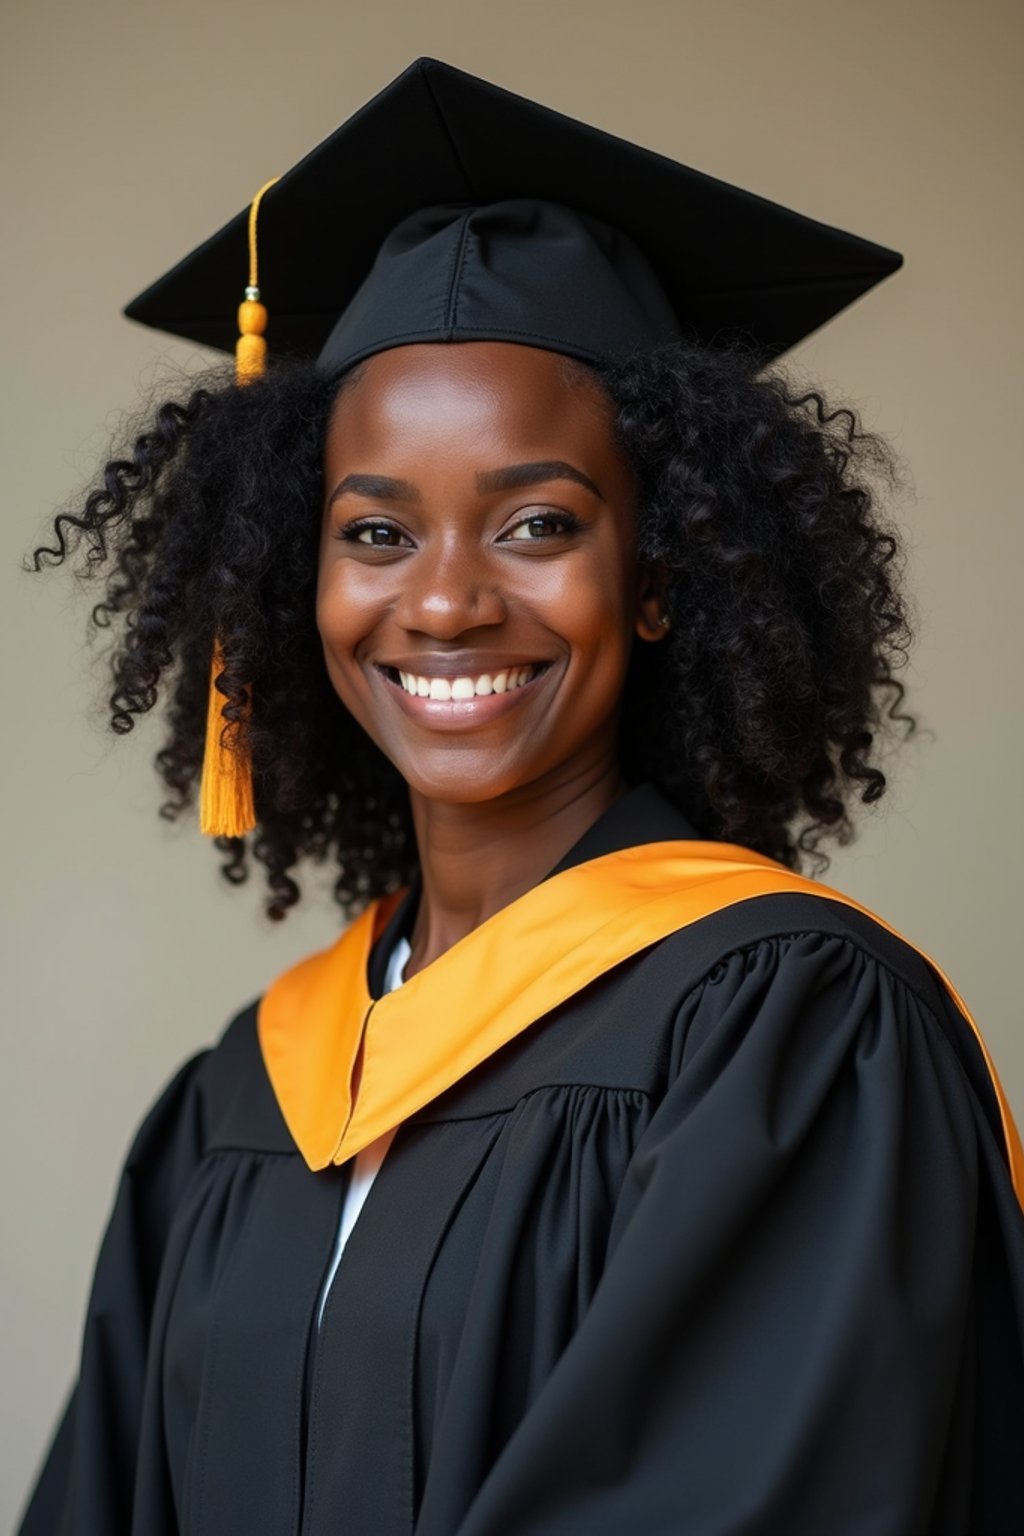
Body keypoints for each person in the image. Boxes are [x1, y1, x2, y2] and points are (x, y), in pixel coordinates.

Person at [18, 56, 1024, 1536]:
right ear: (300, 582)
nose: (444, 601)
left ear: (666, 570)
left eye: (538, 522)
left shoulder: (792, 1037)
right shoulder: (241, 1098)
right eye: (375, 531)